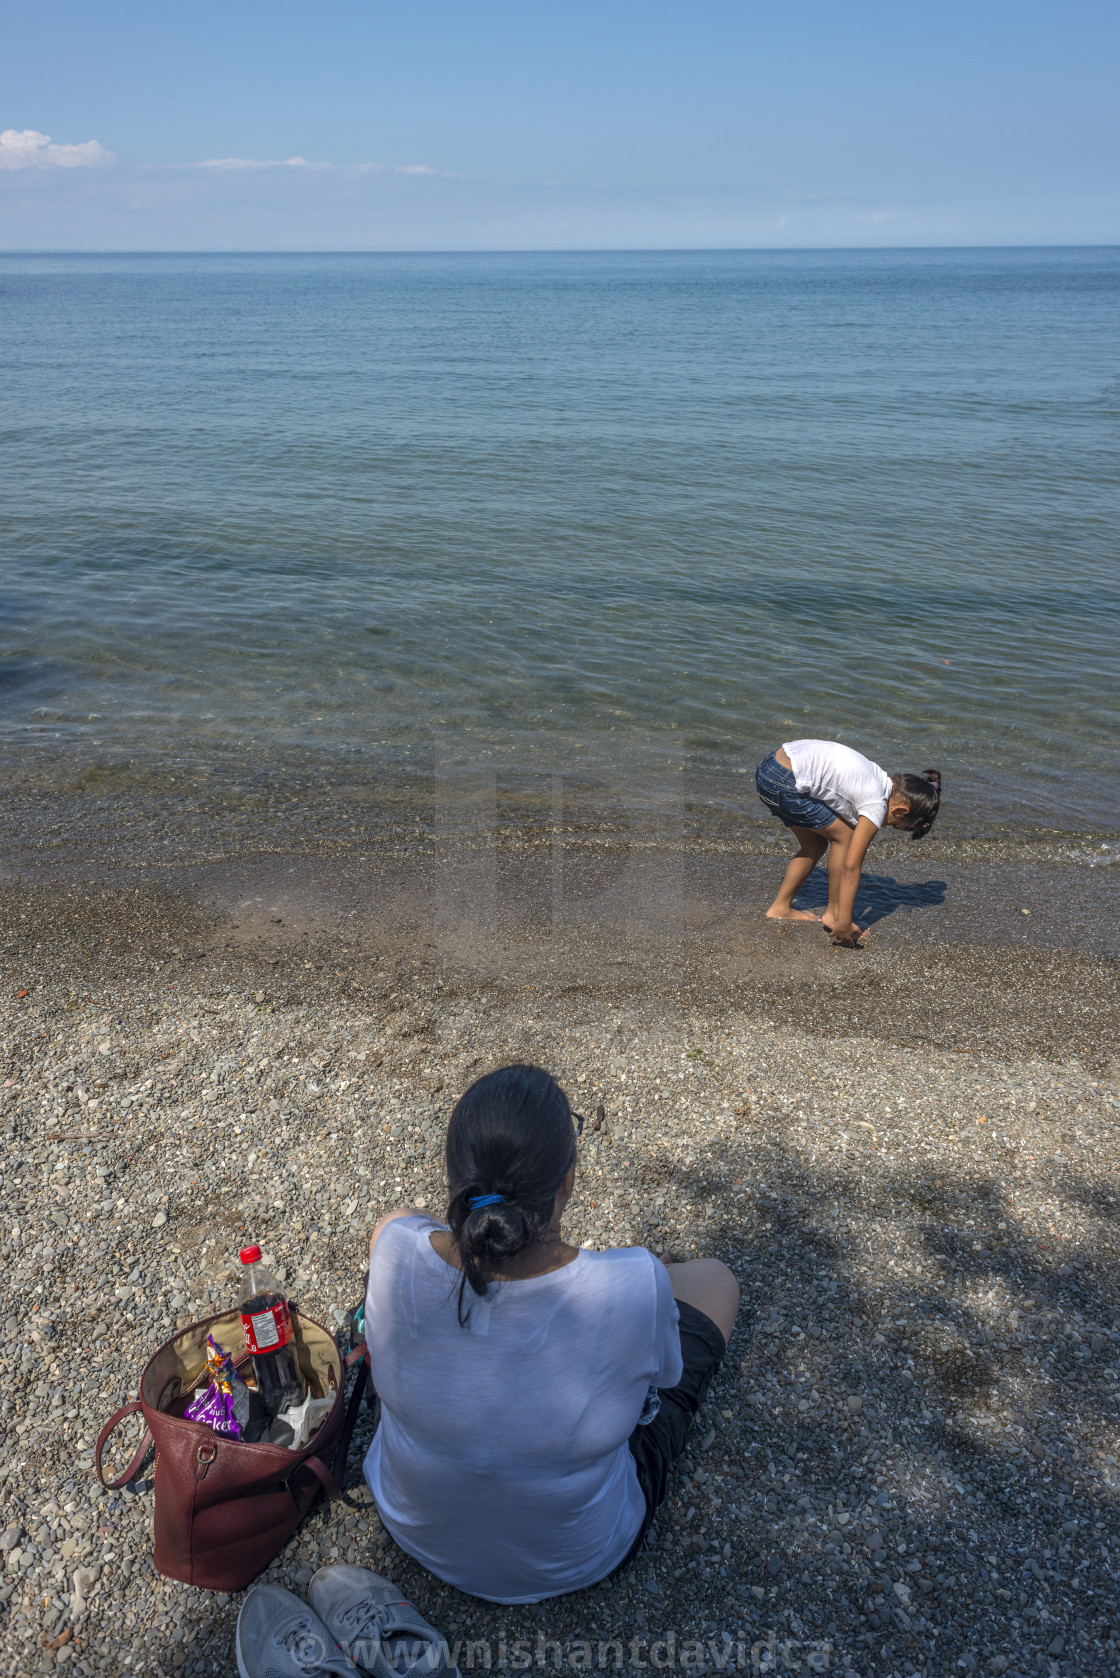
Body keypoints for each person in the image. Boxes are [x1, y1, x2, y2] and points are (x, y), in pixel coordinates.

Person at [361, 1064, 740, 1605]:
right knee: (714, 1281)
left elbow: (405, 1230)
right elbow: (662, 1385)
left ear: (457, 1181)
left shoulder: (394, 1247)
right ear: (566, 1181)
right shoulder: (634, 1283)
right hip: (579, 1557)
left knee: (399, 1217)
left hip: (411, 1526)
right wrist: (644, 1286)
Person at [754, 739, 941, 946]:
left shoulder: (880, 779)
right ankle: (835, 917)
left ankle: (780, 908)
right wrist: (845, 923)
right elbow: (851, 867)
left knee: (814, 846)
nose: (882, 826)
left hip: (771, 767)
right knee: (845, 838)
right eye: (893, 825)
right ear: (900, 810)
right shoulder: (876, 804)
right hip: (785, 780)